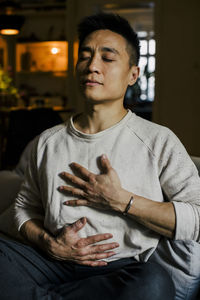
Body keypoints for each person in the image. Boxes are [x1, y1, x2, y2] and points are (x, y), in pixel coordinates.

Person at [0, 13, 200, 300]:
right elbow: (23, 208)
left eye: (107, 58)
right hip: (49, 261)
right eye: (85, 55)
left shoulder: (158, 140)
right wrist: (48, 243)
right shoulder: (47, 141)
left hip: (118, 270)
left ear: (133, 74)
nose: (92, 66)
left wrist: (122, 201)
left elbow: (197, 217)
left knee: (155, 285)